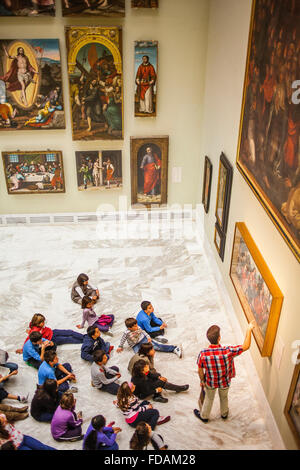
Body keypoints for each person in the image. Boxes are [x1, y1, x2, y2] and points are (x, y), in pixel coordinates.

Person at [194, 321, 256, 423]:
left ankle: (204, 416)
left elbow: (200, 370)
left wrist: (202, 380)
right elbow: (246, 346)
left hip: (210, 382)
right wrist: (249, 329)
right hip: (225, 381)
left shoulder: (203, 354)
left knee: (209, 398)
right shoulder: (228, 351)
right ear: (219, 338)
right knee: (224, 397)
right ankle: (224, 414)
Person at [16, 313, 83, 354]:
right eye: (42, 322)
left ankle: (84, 337)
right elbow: (29, 339)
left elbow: (30, 330)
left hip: (52, 332)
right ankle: (84, 339)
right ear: (37, 323)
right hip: (51, 339)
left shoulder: (34, 325)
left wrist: (29, 331)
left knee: (69, 332)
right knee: (68, 339)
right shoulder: (35, 331)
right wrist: (23, 349)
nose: (44, 323)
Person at [117, 318, 182, 357]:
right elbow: (123, 340)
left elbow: (144, 332)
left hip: (143, 339)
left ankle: (174, 348)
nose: (137, 327)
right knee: (138, 355)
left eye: (136, 325)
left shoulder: (138, 327)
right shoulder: (126, 333)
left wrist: (148, 337)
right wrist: (120, 346)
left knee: (156, 347)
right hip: (135, 344)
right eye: (134, 326)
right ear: (129, 328)